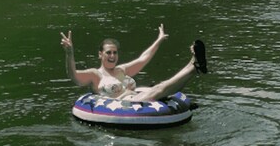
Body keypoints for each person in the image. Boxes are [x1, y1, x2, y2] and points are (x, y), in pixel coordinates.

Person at [60, 24, 207, 102]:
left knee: (159, 86)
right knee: (160, 88)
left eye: (115, 52)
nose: (112, 56)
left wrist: (159, 40)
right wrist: (69, 53)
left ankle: (193, 65)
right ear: (100, 55)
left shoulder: (121, 70)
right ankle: (193, 67)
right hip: (127, 104)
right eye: (108, 53)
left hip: (137, 98)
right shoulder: (95, 75)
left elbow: (143, 58)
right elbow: (73, 76)